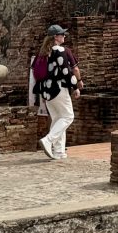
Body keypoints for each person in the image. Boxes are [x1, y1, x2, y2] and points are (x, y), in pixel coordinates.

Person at [34, 24, 82, 161]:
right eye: (62, 34)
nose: (64, 36)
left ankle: (59, 152)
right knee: (68, 116)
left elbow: (37, 73)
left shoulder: (43, 53)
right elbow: (67, 72)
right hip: (58, 89)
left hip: (46, 91)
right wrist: (75, 87)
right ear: (56, 37)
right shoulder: (60, 51)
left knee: (57, 119)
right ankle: (48, 140)